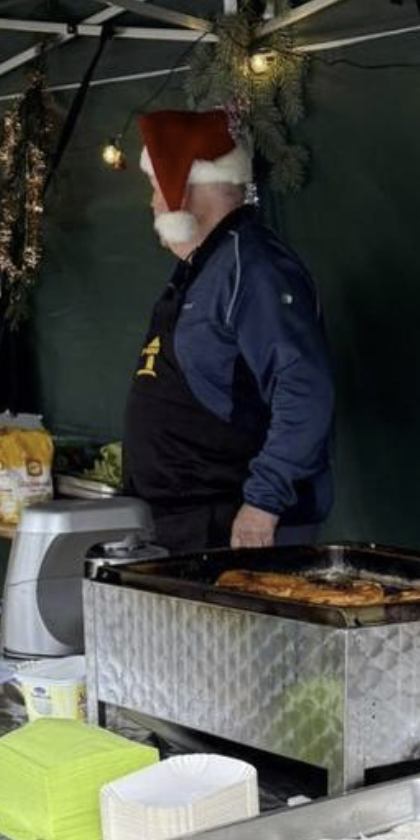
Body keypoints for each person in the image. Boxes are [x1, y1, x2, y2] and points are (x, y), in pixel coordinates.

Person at [122, 108, 334, 552]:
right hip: (183, 526)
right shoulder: (202, 268)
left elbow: (304, 388)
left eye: (156, 187)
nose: (153, 203)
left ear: (183, 188)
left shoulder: (253, 268)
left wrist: (262, 504)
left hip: (234, 529)